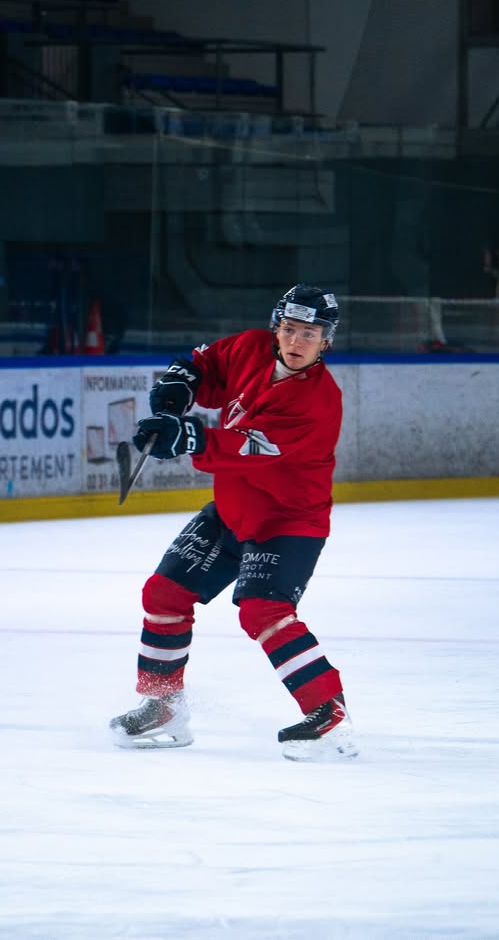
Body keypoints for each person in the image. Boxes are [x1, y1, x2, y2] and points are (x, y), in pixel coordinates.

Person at [109, 284, 357, 762]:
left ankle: (329, 716)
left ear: (326, 341)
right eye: (290, 329)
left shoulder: (319, 402)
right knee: (164, 594)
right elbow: (203, 366)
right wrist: (177, 392)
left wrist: (189, 437)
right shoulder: (248, 348)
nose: (297, 341)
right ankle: (163, 706)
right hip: (231, 510)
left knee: (263, 610)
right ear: (275, 328)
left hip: (287, 521)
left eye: (310, 334)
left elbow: (247, 446)